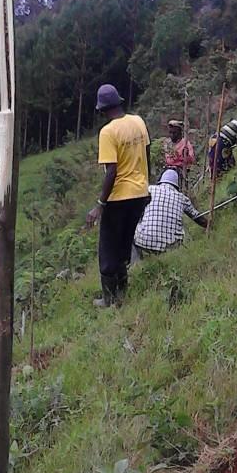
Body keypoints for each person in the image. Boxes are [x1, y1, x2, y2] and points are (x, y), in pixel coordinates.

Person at [86, 84, 151, 307]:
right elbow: (147, 154)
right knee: (124, 244)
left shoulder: (108, 132)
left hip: (119, 198)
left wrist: (100, 204)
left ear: (101, 109)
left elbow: (111, 171)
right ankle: (121, 295)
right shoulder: (138, 122)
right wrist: (147, 185)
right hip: (140, 193)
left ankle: (109, 299)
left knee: (107, 249)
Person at [134, 169, 207, 254]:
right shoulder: (182, 198)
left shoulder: (150, 190)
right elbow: (198, 218)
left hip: (143, 241)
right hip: (170, 247)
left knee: (131, 229)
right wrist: (210, 224)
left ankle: (139, 258)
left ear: (161, 180)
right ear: (176, 185)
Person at [208, 105, 237, 176]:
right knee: (224, 166)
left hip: (214, 140)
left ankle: (218, 180)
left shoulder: (236, 120)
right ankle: (221, 180)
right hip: (221, 143)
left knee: (217, 164)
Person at [162, 119, 195, 188]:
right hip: (167, 170)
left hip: (180, 171)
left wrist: (186, 155)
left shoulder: (185, 143)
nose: (172, 135)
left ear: (180, 133)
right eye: (170, 132)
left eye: (174, 133)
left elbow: (191, 160)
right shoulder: (167, 143)